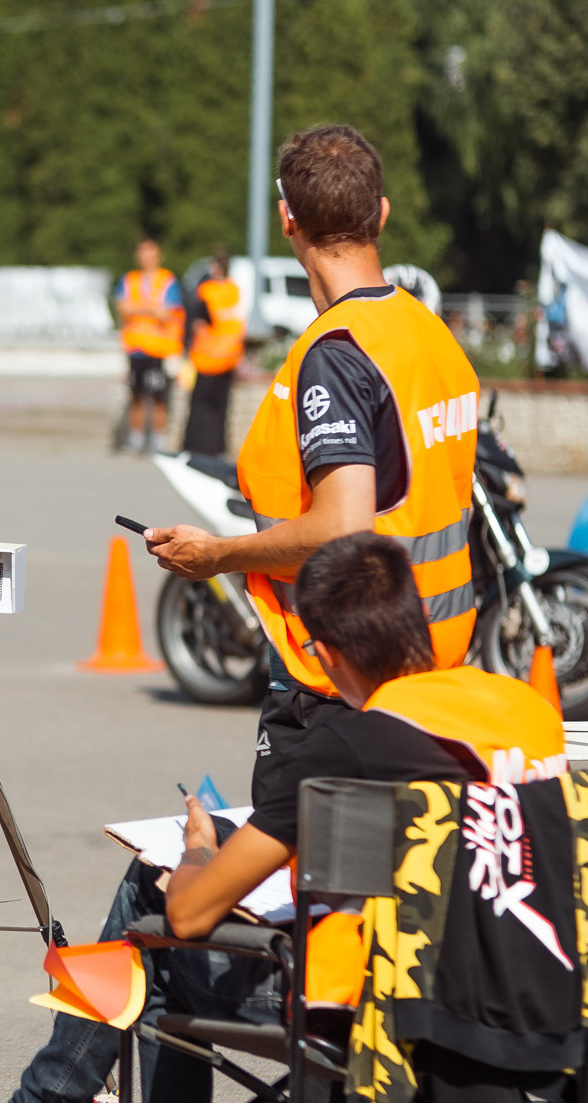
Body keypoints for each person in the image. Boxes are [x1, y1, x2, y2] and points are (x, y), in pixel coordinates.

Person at [0, 533, 563, 1103]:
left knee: (155, 915)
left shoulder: (349, 741)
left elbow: (192, 908)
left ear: (325, 649)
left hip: (386, 1017)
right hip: (531, 1003)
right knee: (171, 948)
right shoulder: (525, 711)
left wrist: (200, 849)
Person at [141, 123, 482, 898]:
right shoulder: (429, 335)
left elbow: (343, 526)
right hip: (437, 659)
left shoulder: (337, 354)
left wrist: (217, 556)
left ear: (288, 220)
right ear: (383, 213)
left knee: (308, 906)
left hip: (346, 676)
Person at [115, 239, 184, 453]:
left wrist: (140, 308)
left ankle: (157, 441)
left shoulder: (167, 280)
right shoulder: (129, 280)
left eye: (150, 254)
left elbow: (168, 313)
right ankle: (136, 440)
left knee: (158, 396)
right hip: (136, 349)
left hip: (159, 349)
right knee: (136, 395)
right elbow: (123, 309)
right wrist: (151, 309)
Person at [181, 254, 248, 455]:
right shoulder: (235, 290)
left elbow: (197, 320)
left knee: (200, 405)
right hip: (229, 355)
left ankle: (196, 445)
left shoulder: (207, 291)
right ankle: (217, 446)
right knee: (221, 405)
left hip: (207, 356)